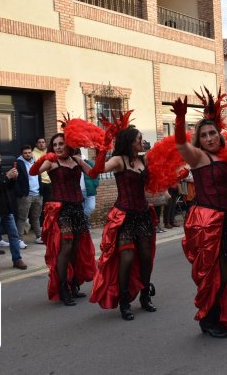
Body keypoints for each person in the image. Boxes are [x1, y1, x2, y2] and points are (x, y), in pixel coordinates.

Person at [172, 93, 227, 338]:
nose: (209, 138)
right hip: (211, 222)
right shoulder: (199, 157)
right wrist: (180, 119)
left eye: (212, 133)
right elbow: (180, 144)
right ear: (198, 140)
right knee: (218, 273)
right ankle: (209, 319)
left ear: (219, 134)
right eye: (204, 135)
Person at [90, 127, 157, 319]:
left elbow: (154, 181)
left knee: (145, 257)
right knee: (126, 258)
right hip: (125, 216)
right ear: (129, 141)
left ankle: (145, 296)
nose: (141, 142)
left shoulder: (144, 160)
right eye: (138, 139)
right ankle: (124, 301)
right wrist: (103, 148)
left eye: (142, 139)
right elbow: (99, 170)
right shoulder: (119, 160)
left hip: (143, 214)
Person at [31, 133, 97, 306]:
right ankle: (63, 288)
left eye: (62, 144)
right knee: (66, 245)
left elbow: (92, 173)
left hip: (77, 208)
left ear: (68, 145)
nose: (59, 147)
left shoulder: (76, 161)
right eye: (55, 144)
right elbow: (34, 171)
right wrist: (45, 157)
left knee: (76, 247)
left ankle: (73, 283)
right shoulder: (52, 162)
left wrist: (81, 161)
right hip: (62, 209)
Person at [15, 145, 43, 244]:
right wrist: (21, 193)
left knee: (36, 217)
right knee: (22, 218)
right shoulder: (18, 163)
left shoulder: (35, 162)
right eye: (25, 153)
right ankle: (19, 239)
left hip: (37, 194)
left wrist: (41, 191)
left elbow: (38, 176)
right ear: (22, 154)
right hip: (26, 195)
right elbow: (15, 180)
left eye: (29, 152)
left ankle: (39, 236)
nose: (27, 154)